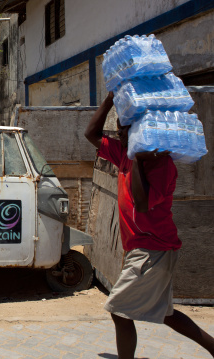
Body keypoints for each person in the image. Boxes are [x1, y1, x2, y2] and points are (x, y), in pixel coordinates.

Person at [84, 92, 214, 359]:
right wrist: (109, 101)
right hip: (143, 249)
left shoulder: (161, 165)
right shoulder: (125, 154)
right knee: (166, 315)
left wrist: (140, 161)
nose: (119, 133)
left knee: (119, 312)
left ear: (142, 131)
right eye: (119, 128)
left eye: (126, 129)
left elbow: (141, 204)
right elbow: (91, 134)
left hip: (152, 250)